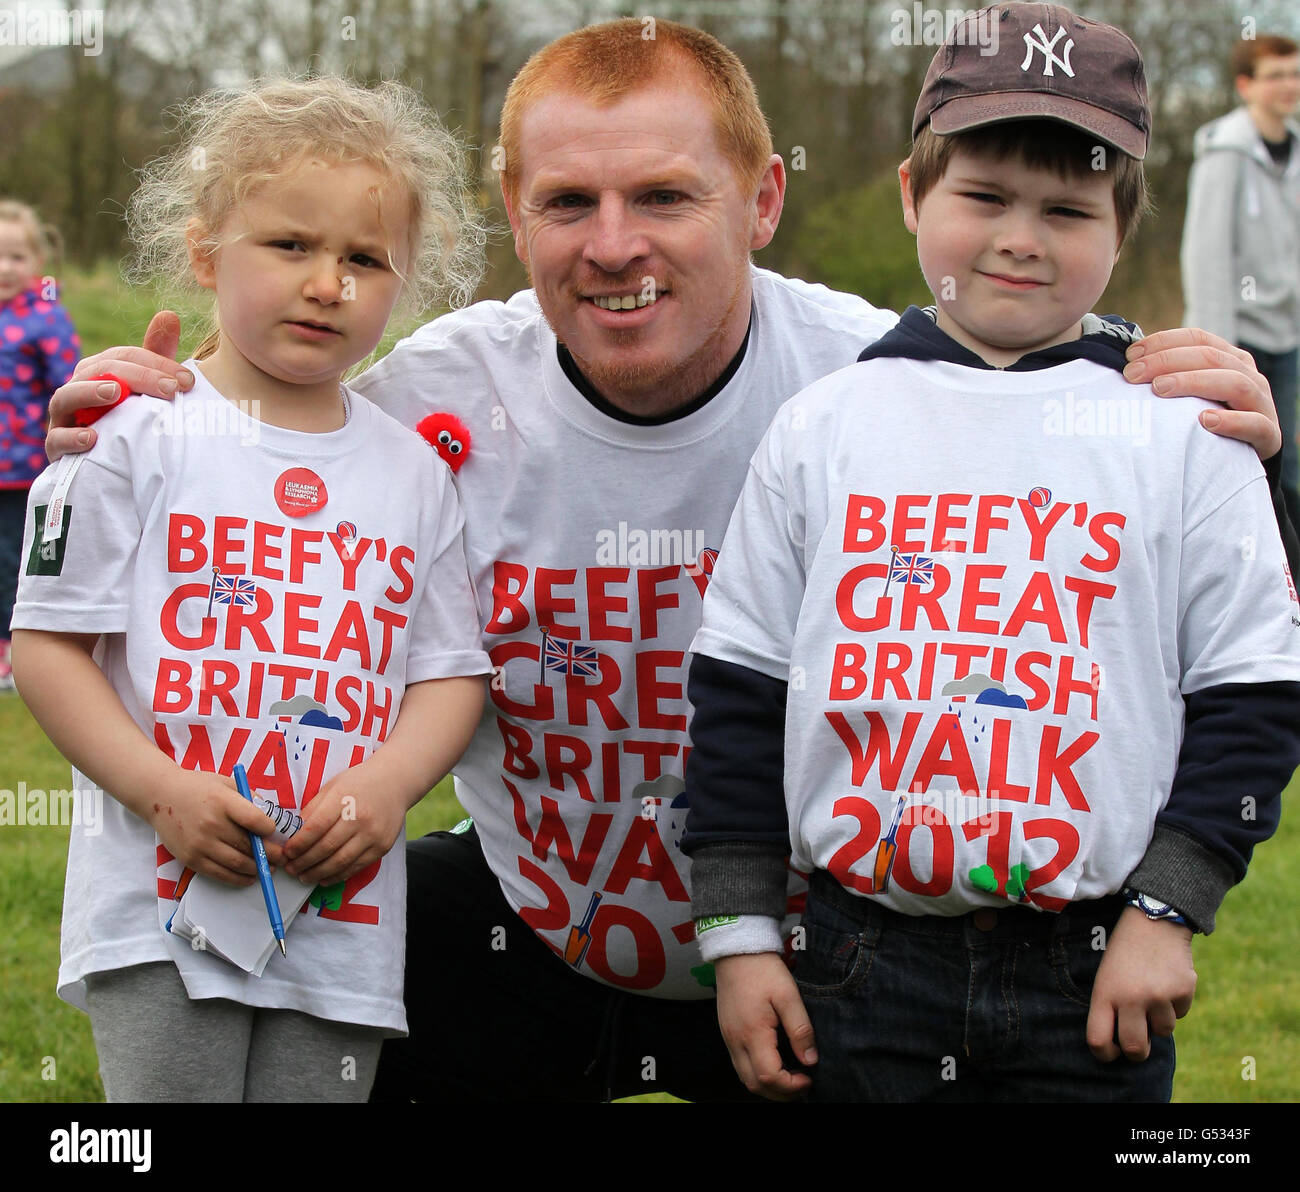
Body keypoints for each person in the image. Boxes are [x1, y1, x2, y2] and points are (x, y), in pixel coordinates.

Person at [40, 19, 1296, 1103]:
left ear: (761, 199)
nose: (613, 244)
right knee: (368, 936)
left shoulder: (885, 386)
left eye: (665, 196)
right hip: (528, 920)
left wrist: (1178, 388)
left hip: (818, 953)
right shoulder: (427, 402)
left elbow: (1085, 444)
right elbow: (252, 416)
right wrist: (135, 409)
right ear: (510, 208)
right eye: (567, 203)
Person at [684, 2, 1300, 1102]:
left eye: (1067, 208)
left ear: (1124, 229)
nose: (1021, 236)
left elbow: (1255, 690)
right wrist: (737, 933)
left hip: (1092, 973)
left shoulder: (1184, 434)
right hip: (854, 963)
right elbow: (739, 690)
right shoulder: (826, 425)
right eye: (983, 197)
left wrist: (1167, 908)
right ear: (916, 194)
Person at [10, 76, 491, 1103]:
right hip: (160, 898)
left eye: (365, 260)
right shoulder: (131, 435)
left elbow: (451, 676)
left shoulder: (413, 473)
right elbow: (46, 648)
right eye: (290, 245)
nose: (328, 283)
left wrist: (390, 785)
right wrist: (160, 790)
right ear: (202, 252)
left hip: (343, 916)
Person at [1182, 33, 1300, 530]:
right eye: (1275, 75)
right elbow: (1207, 255)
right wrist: (1221, 353)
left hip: (1288, 335)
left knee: (1283, 460)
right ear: (1245, 86)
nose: (1288, 85)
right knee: (1239, 464)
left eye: (1295, 74)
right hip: (1240, 339)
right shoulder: (1225, 152)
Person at [0, 200, 80, 692]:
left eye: (16, 257)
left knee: (13, 557)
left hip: (23, 467)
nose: (5, 268)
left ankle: (14, 652)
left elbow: (67, 387)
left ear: (37, 264)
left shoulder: (45, 317)